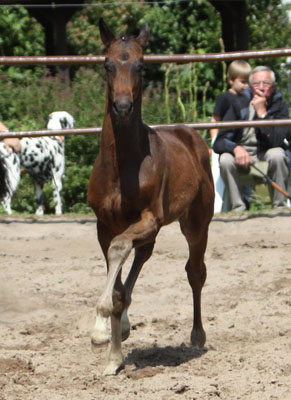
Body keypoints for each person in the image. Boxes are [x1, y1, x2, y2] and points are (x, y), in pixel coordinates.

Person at [213, 65, 289, 212]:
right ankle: (238, 207)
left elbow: (276, 141)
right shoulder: (238, 102)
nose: (261, 88)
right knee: (226, 159)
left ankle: (280, 207)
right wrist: (235, 148)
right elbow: (220, 141)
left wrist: (262, 114)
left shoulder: (280, 105)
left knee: (278, 154)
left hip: (265, 153)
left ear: (273, 86)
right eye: (256, 83)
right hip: (242, 155)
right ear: (250, 86)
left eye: (266, 83)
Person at [210, 60, 251, 213]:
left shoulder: (247, 98)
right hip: (226, 139)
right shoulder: (224, 98)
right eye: (242, 81)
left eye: (247, 82)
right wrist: (215, 138)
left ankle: (245, 198)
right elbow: (216, 118)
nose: (245, 85)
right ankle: (234, 203)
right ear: (231, 80)